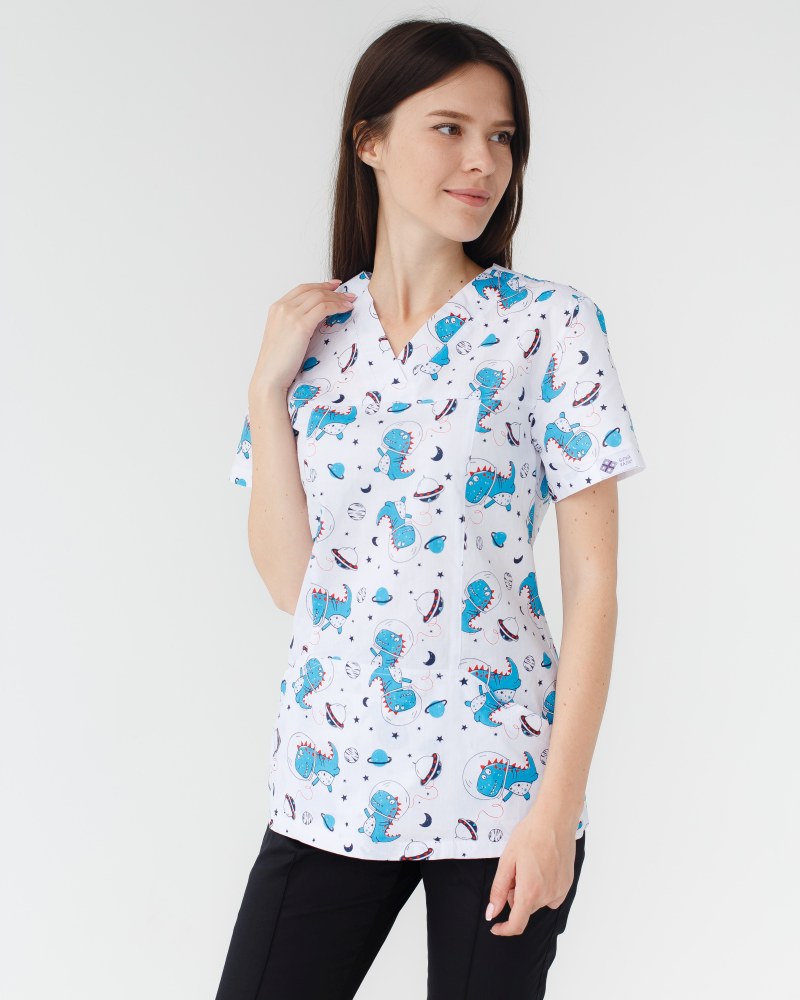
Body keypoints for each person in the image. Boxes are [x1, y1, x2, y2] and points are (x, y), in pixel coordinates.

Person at [217, 17, 646, 1000]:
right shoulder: (311, 336)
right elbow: (292, 583)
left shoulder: (548, 326)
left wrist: (553, 813)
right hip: (332, 783)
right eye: (449, 128)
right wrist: (265, 394)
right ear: (368, 140)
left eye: (501, 136)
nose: (482, 160)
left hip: (501, 789)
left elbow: (594, 592)